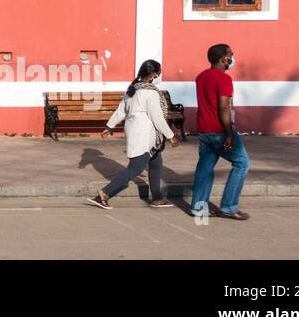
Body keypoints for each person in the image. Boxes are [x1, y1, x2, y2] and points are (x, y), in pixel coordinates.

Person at [86, 59, 179, 209]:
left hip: (136, 131)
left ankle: (156, 198)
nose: (160, 75)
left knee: (156, 164)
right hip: (144, 135)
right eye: (159, 72)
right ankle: (104, 193)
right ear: (153, 75)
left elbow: (120, 111)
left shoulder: (132, 89)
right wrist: (170, 136)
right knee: (135, 168)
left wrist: (109, 126)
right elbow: (157, 117)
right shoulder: (150, 93)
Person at [190, 43, 250, 221]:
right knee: (242, 163)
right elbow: (223, 108)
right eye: (231, 55)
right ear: (224, 59)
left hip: (204, 129)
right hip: (219, 130)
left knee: (205, 167)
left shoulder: (201, 77)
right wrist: (229, 133)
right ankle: (229, 206)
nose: (233, 58)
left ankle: (198, 208)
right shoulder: (224, 79)